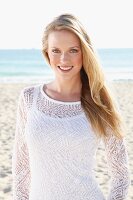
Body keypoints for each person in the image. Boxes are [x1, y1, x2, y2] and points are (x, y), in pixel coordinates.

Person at [12, 13, 130, 200]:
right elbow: (21, 167)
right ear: (47, 53)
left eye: (73, 50)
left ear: (84, 52)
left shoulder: (99, 102)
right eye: (56, 50)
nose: (64, 59)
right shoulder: (29, 98)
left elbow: (121, 174)